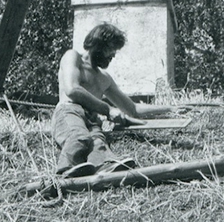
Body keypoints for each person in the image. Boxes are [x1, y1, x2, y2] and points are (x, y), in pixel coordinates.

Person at [52, 22, 176, 177]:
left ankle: (105, 166)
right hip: (69, 111)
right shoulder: (73, 57)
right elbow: (72, 90)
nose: (113, 55)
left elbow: (132, 109)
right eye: (110, 49)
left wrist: (169, 108)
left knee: (98, 142)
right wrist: (107, 109)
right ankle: (65, 170)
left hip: (91, 119)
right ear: (97, 45)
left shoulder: (104, 78)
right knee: (79, 137)